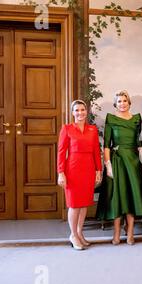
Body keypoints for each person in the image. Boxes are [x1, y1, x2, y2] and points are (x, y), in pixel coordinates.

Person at [96, 91, 142, 245]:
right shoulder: (111, 119)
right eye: (119, 101)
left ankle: (131, 233)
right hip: (117, 161)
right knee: (118, 197)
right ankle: (117, 233)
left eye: (125, 100)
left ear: (129, 102)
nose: (122, 103)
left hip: (133, 162)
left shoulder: (136, 119)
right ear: (115, 104)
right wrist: (108, 165)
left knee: (132, 197)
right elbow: (106, 145)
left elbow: (139, 143)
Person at [57, 100, 102, 250]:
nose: (80, 113)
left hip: (89, 169)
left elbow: (96, 151)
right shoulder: (67, 128)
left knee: (84, 204)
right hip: (73, 169)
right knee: (74, 204)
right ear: (72, 113)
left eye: (82, 110)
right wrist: (61, 173)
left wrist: (98, 171)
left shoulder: (92, 129)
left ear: (86, 111)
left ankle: (79, 233)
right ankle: (72, 234)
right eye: (77, 110)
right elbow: (61, 152)